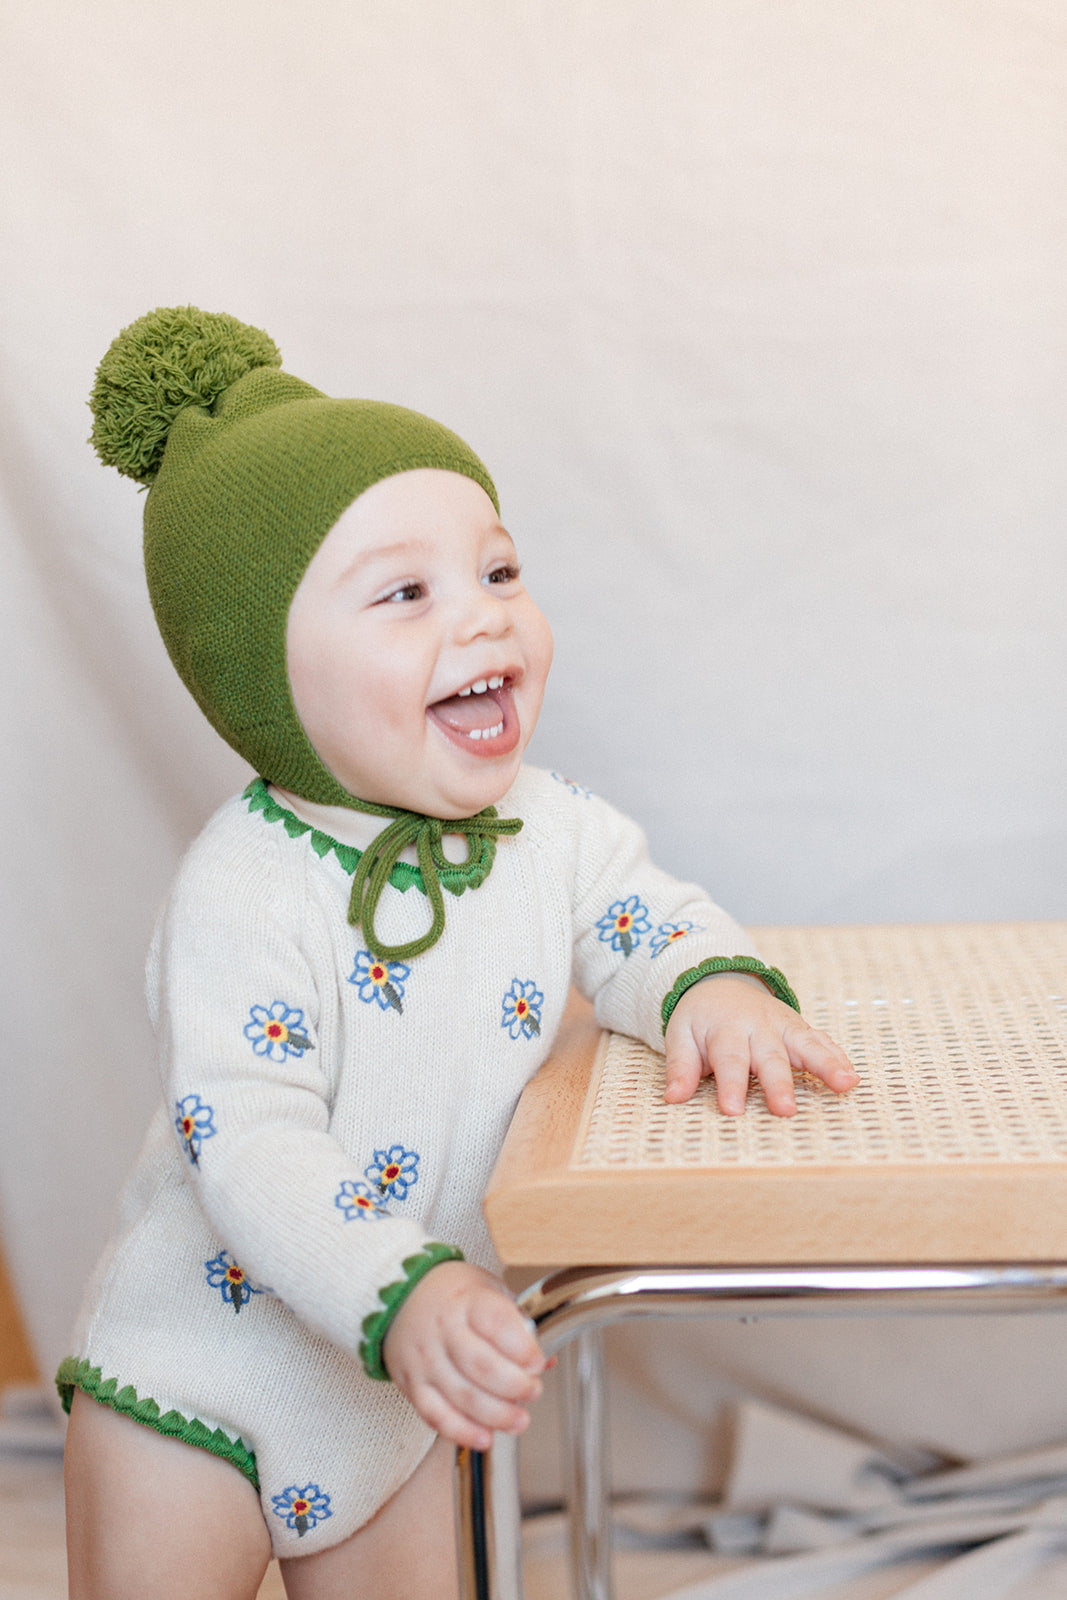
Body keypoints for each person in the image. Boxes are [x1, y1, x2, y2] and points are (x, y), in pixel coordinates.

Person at [61, 307, 859, 1600]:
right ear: (260, 670)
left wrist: (709, 984)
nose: (485, 621)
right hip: (197, 1378)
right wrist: (402, 1292)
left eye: (498, 572)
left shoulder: (547, 829)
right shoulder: (244, 888)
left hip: (390, 1396)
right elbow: (248, 1140)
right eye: (407, 594)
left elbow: (644, 917)